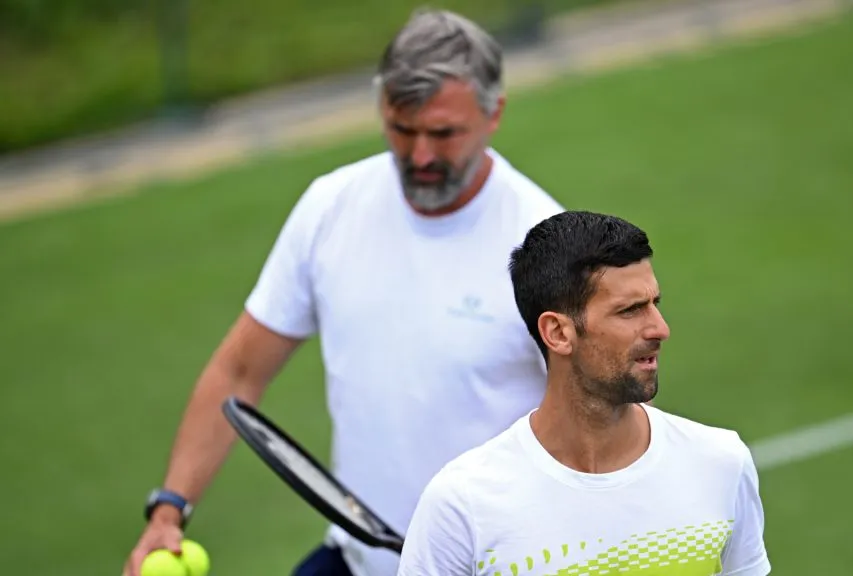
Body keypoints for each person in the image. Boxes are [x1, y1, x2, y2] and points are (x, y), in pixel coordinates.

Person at [123, 8, 564, 576]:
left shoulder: (547, 248)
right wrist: (168, 511)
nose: (421, 156)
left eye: (443, 133)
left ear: (493, 113)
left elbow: (606, 427)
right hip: (356, 558)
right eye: (402, 130)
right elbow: (238, 373)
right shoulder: (330, 208)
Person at [396, 210, 772, 576]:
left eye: (654, 304)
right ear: (558, 333)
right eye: (630, 310)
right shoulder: (463, 504)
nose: (660, 328)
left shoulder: (721, 464)